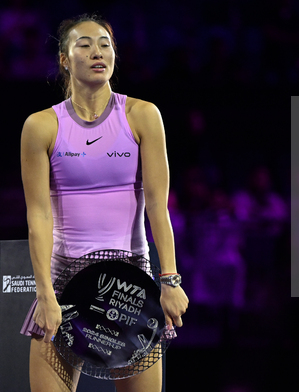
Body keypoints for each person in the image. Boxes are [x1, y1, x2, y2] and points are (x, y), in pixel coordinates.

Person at [19, 13, 189, 392]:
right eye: (84, 44)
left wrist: (169, 280)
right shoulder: (41, 126)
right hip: (64, 288)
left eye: (105, 44)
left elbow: (158, 208)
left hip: (131, 287)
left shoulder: (143, 115)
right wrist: (45, 292)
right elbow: (38, 217)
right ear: (64, 59)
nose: (97, 52)